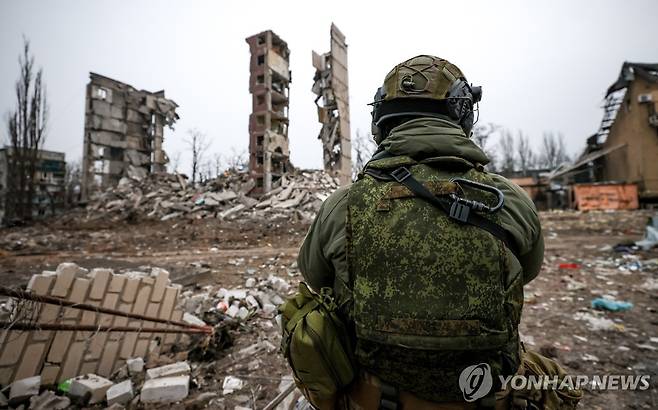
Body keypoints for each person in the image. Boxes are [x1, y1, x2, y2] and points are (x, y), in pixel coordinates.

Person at [295, 55, 574, 409]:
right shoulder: (509, 201)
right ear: (464, 114)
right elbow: (528, 272)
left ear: (380, 122)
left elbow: (315, 279)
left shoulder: (343, 206)